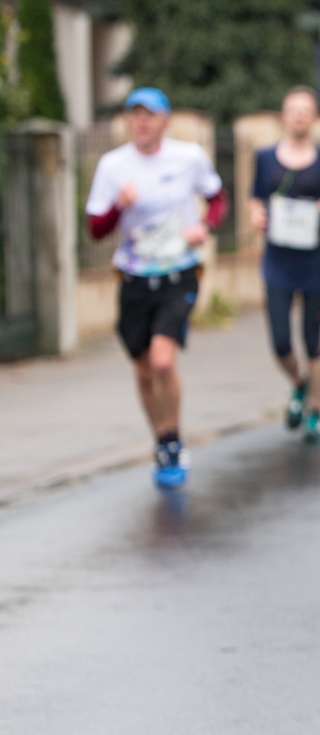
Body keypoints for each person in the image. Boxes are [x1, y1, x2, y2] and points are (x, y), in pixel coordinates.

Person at [86, 87, 229, 489]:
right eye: (135, 115)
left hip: (178, 274)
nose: (141, 122)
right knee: (144, 370)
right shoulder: (113, 166)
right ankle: (161, 438)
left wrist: (207, 227)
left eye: (149, 115)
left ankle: (172, 436)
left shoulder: (188, 158)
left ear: (165, 121)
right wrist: (118, 205)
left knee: (163, 360)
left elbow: (217, 198)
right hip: (133, 278)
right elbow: (95, 230)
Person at [247, 86, 320, 445]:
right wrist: (256, 214)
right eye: (292, 109)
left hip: (314, 262)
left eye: (305, 110)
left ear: (313, 117)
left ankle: (315, 410)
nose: (298, 116)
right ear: (283, 115)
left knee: (313, 342)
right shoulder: (265, 158)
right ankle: (299, 383)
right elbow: (254, 199)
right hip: (278, 261)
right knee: (280, 341)